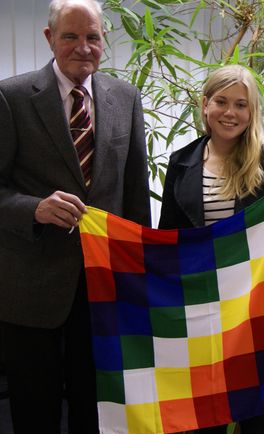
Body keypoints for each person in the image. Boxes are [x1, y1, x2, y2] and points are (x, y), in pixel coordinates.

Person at [0, 0, 151, 432]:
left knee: (97, 407)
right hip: (30, 286)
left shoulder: (126, 97)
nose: (83, 47)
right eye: (71, 36)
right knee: (34, 409)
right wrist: (34, 208)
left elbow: (135, 194)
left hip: (104, 282)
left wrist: (137, 274)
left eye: (92, 37)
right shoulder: (10, 97)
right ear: (50, 38)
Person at [158, 64, 264, 433]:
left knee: (255, 409)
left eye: (241, 104)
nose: (231, 112)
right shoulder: (181, 162)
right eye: (222, 102)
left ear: (252, 111)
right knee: (206, 410)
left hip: (253, 305)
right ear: (205, 105)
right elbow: (168, 236)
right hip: (202, 304)